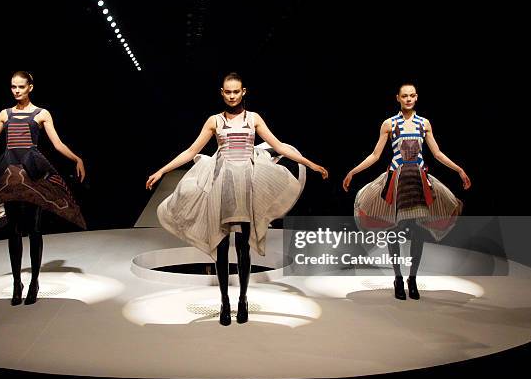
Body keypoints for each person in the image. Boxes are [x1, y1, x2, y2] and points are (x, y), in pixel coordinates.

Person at [146, 72, 328, 325]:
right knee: (222, 245)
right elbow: (191, 150)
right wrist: (162, 170)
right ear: (222, 93)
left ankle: (242, 299)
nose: (232, 96)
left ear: (244, 92)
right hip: (222, 185)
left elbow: (280, 146)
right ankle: (224, 301)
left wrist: (311, 164)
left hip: (246, 187)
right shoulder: (214, 121)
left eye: (236, 91)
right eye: (227, 92)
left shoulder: (253, 119)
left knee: (243, 245)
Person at [0, 71, 86, 305]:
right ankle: (17, 282)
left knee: (33, 228)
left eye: (21, 87)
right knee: (13, 230)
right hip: (11, 172)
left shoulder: (41, 114)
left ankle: (34, 282)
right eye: (13, 87)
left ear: (30, 87)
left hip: (32, 171)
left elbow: (57, 143)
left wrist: (77, 159)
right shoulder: (5, 114)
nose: (16, 91)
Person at [343, 83, 470, 300]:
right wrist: (353, 172)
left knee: (417, 232)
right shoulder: (389, 124)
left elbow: (437, 153)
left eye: (412, 95)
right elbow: (375, 155)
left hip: (417, 180)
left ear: (417, 97)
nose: (408, 99)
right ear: (398, 98)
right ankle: (398, 278)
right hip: (398, 179)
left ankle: (412, 278)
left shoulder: (424, 123)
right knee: (395, 229)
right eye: (405, 96)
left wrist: (459, 170)